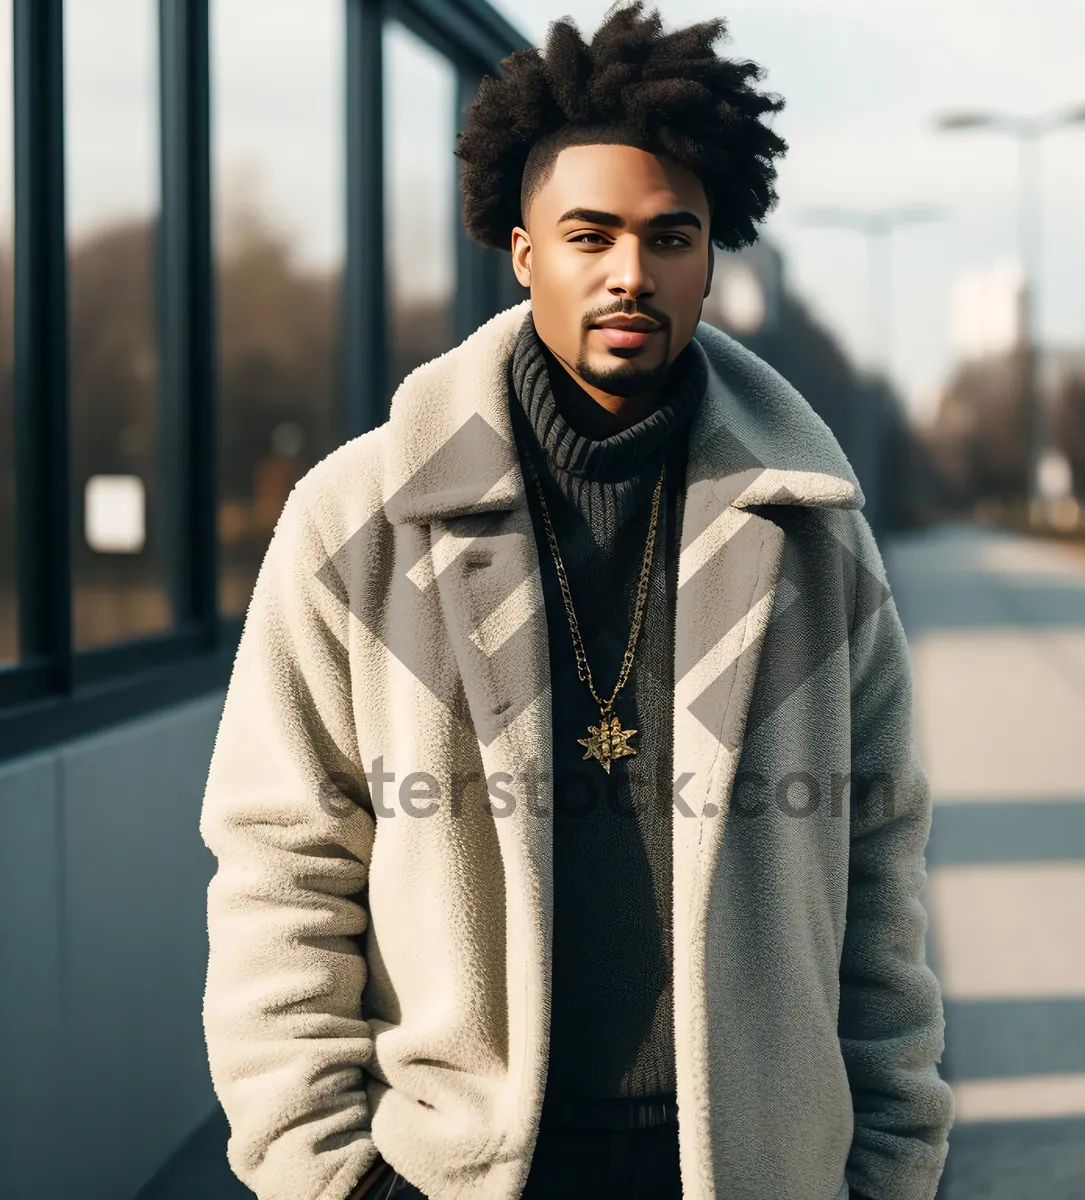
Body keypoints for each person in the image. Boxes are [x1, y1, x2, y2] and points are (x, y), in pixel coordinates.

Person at [199, 3, 954, 1198]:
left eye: (671, 239)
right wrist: (327, 1175)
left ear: (713, 258)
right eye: (589, 234)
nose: (629, 275)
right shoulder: (360, 522)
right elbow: (280, 870)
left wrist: (896, 1164)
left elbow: (878, 869)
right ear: (522, 250)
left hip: (751, 1168)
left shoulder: (813, 536)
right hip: (458, 1172)